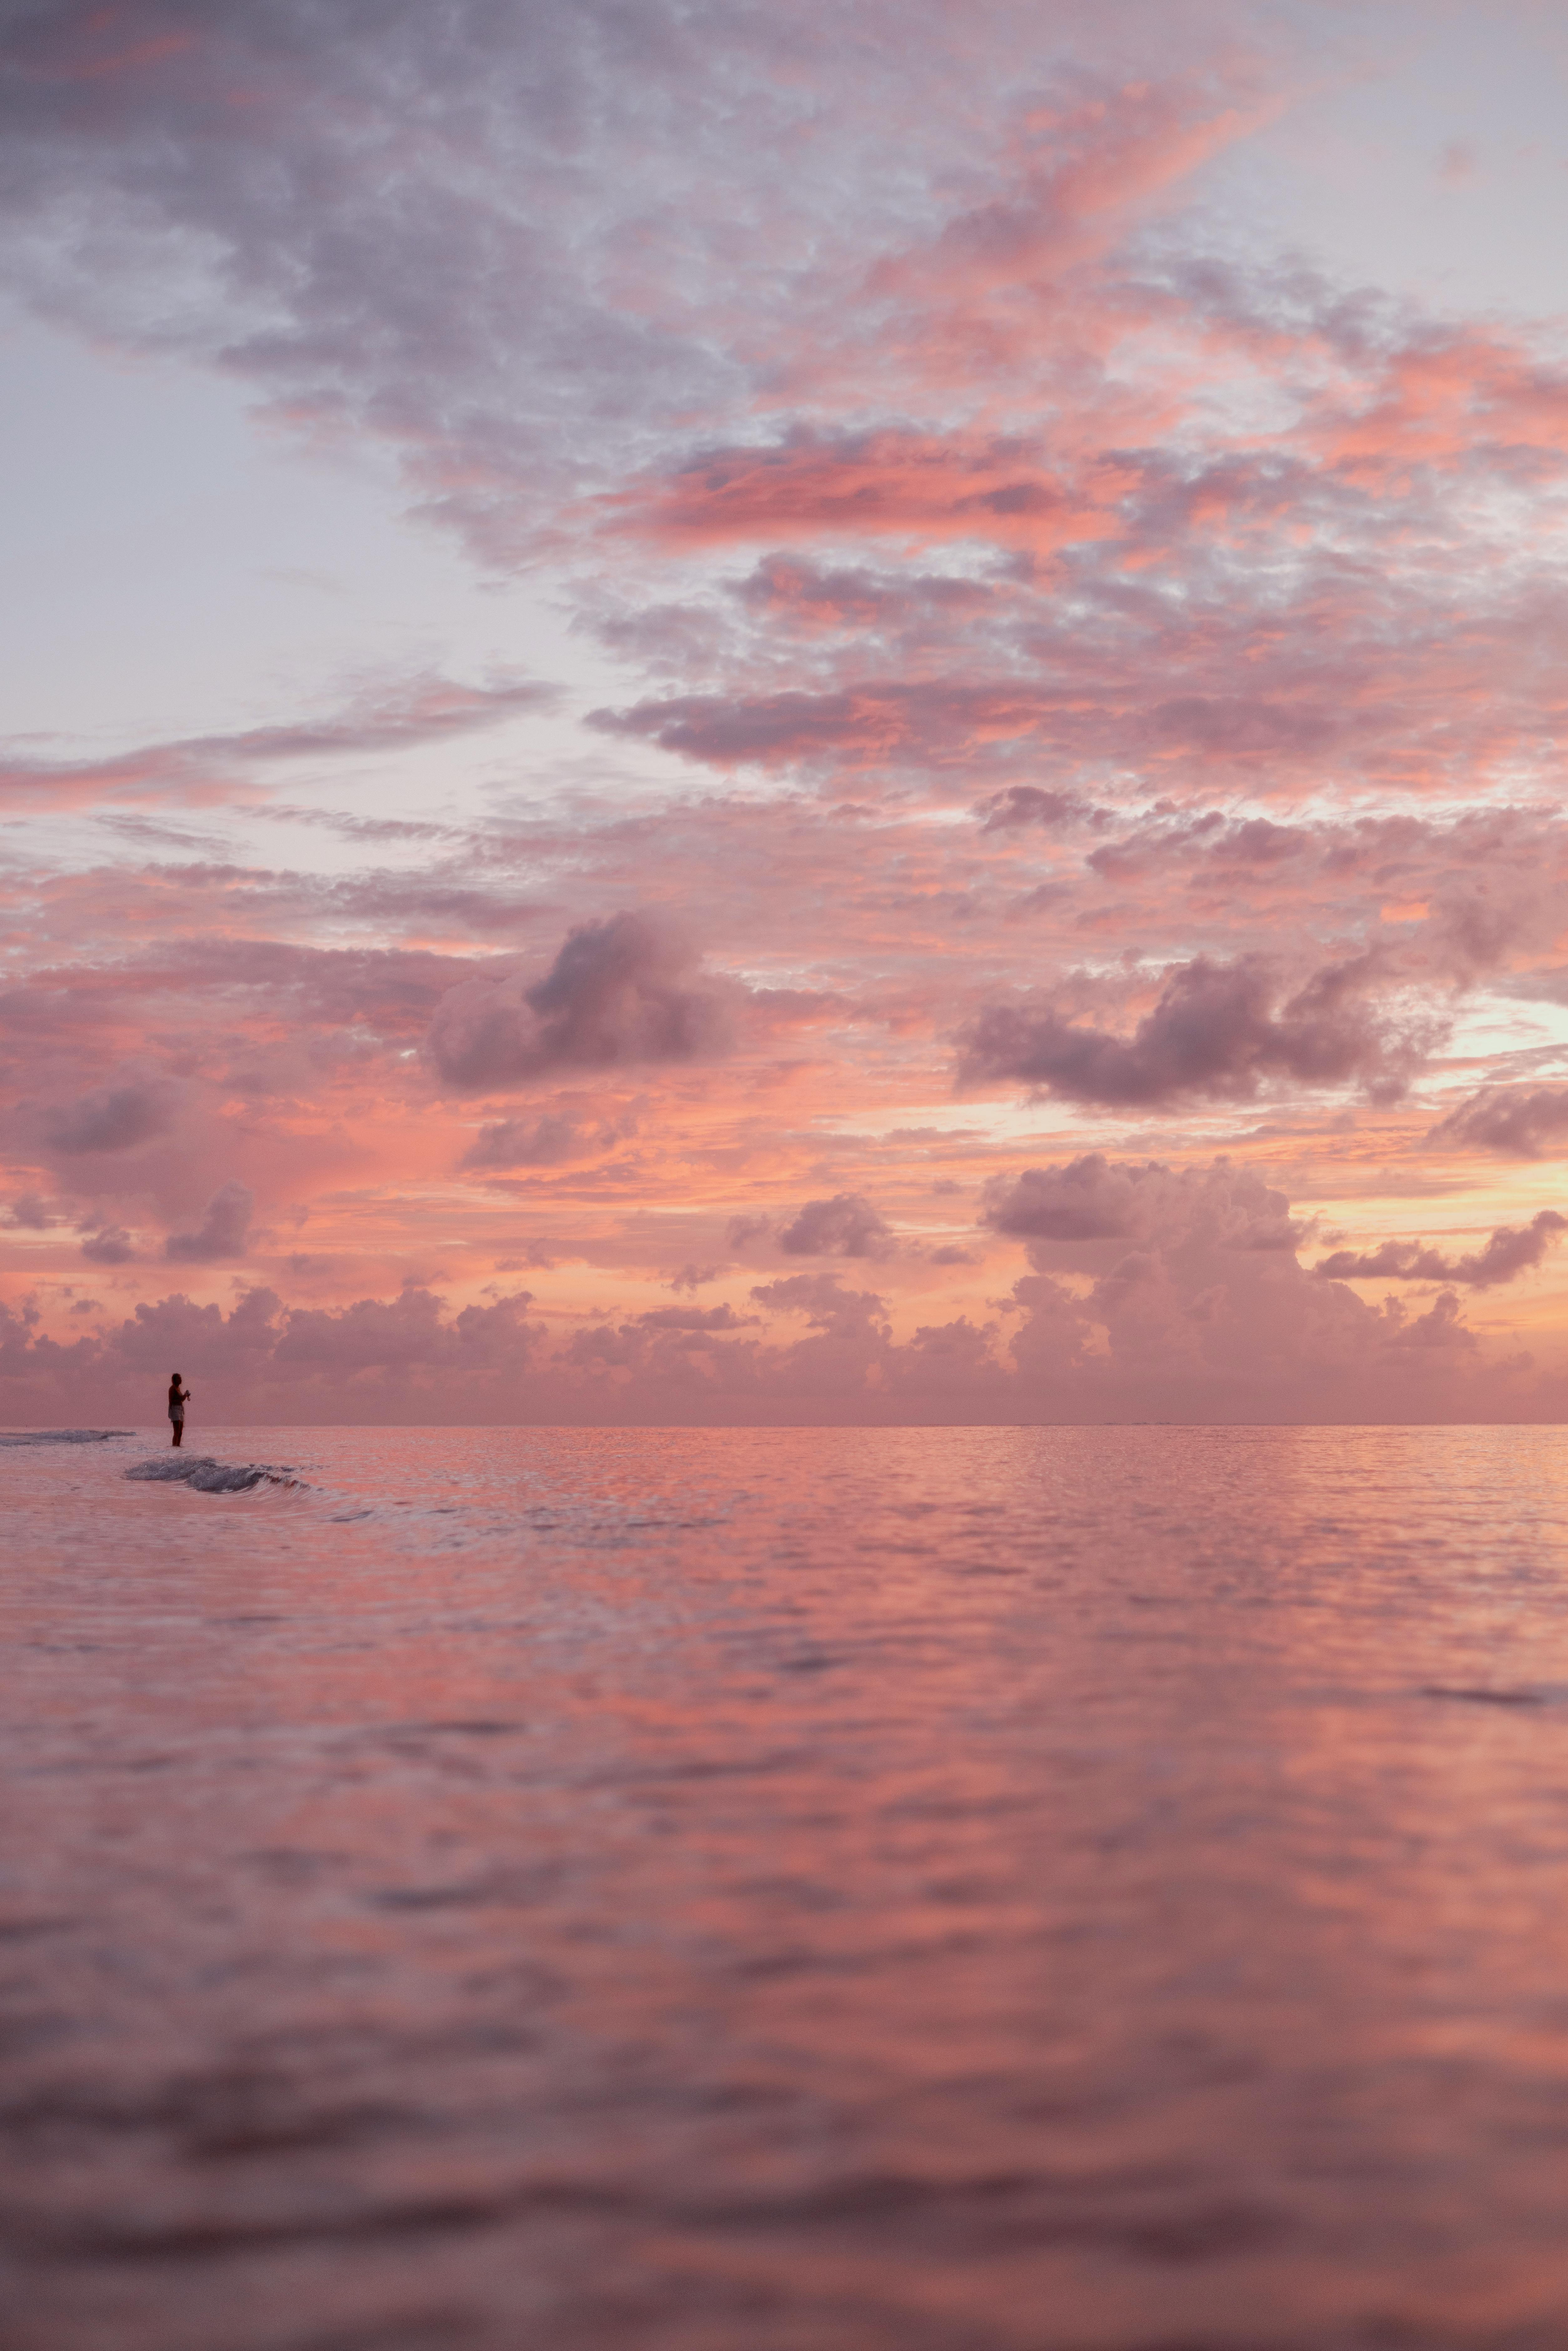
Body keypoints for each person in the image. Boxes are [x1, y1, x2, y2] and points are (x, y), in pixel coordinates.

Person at [168, 1371, 191, 1446]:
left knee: (180, 1432)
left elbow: (182, 1399)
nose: (181, 1380)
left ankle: (178, 1446)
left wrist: (186, 1395)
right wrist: (182, 1397)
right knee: (177, 1432)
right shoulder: (172, 1389)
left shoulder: (178, 1389)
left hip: (180, 1410)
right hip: (175, 1409)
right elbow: (171, 1401)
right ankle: (174, 1446)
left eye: (181, 1378)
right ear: (175, 1380)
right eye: (179, 1378)